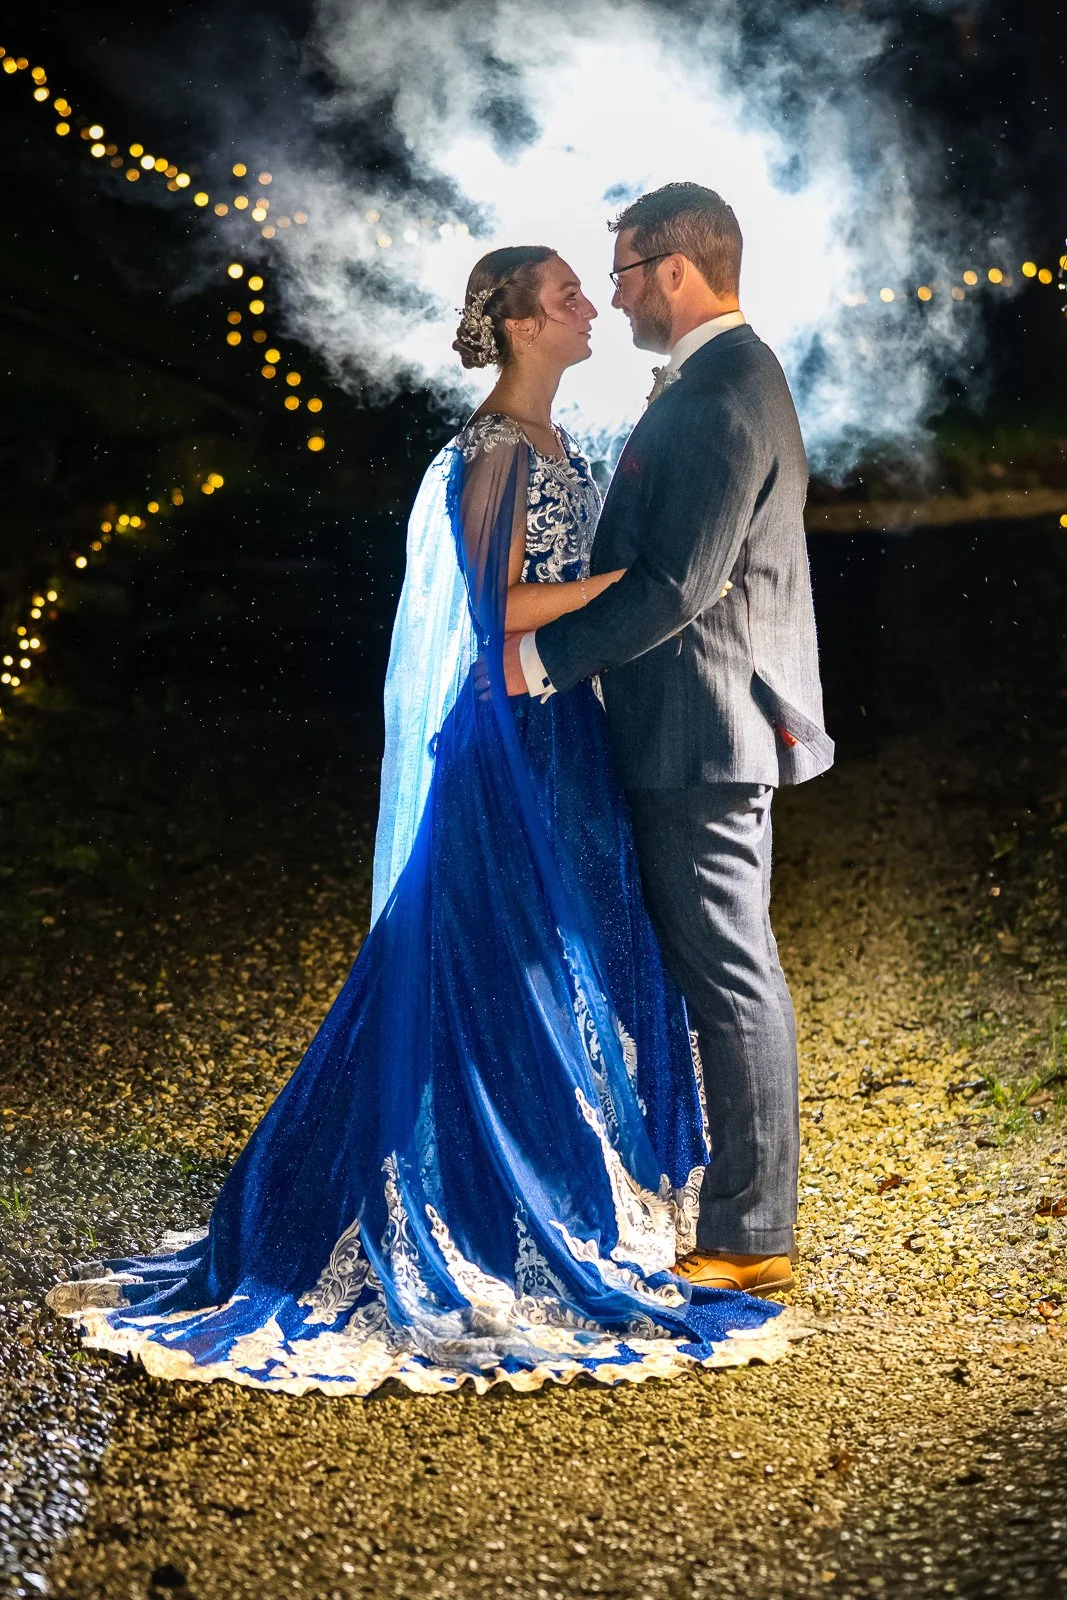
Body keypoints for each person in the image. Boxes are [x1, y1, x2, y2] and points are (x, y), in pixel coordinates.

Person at [48, 243, 796, 1397]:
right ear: (516, 326)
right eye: (564, 295)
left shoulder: (561, 441)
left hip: (567, 737)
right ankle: (451, 1193)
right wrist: (627, 585)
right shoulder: (491, 449)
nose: (587, 304)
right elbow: (489, 603)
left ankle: (554, 1172)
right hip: (511, 745)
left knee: (557, 958)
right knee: (476, 963)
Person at [503, 184, 834, 1294]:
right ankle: (738, 1213)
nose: (615, 294)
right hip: (699, 721)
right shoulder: (717, 381)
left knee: (730, 977)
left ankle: (750, 1235)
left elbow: (678, 583)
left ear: (677, 273)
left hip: (702, 726)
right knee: (723, 969)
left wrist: (541, 663)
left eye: (627, 272)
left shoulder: (720, 390)